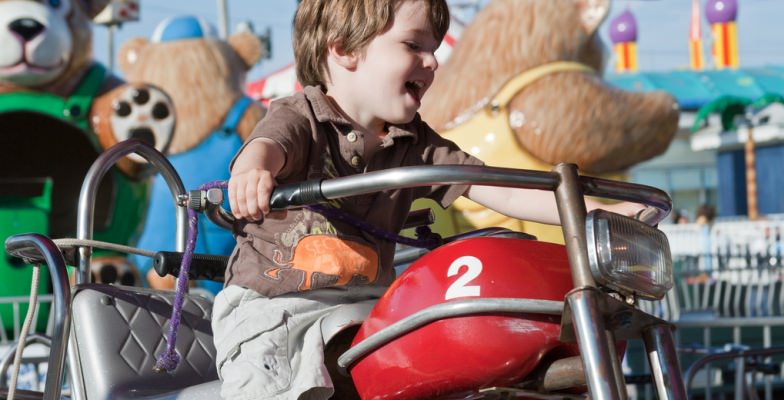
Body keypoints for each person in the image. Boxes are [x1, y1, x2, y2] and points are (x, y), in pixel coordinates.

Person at [213, 0, 644, 398]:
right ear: (345, 49)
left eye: (434, 48)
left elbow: (497, 185)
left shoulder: (414, 143)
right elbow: (269, 144)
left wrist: (597, 213)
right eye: (413, 45)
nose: (433, 61)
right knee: (274, 384)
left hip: (363, 312)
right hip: (278, 310)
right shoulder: (302, 116)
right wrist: (254, 171)